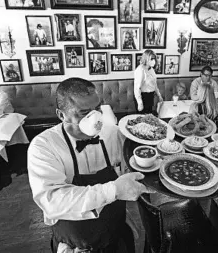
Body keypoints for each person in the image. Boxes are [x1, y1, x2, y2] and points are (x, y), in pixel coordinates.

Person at [28, 78, 153, 253]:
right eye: (84, 113)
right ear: (61, 115)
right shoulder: (44, 146)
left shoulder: (113, 133)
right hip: (76, 245)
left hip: (116, 234)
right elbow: (52, 200)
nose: (95, 118)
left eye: (97, 109)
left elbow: (135, 166)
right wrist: (114, 190)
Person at [134, 49, 163, 114]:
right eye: (151, 59)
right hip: (142, 97)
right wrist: (140, 102)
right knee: (142, 119)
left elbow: (154, 84)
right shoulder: (140, 70)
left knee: (149, 117)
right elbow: (137, 88)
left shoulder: (151, 69)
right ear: (146, 59)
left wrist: (159, 95)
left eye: (155, 59)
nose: (154, 61)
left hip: (150, 96)